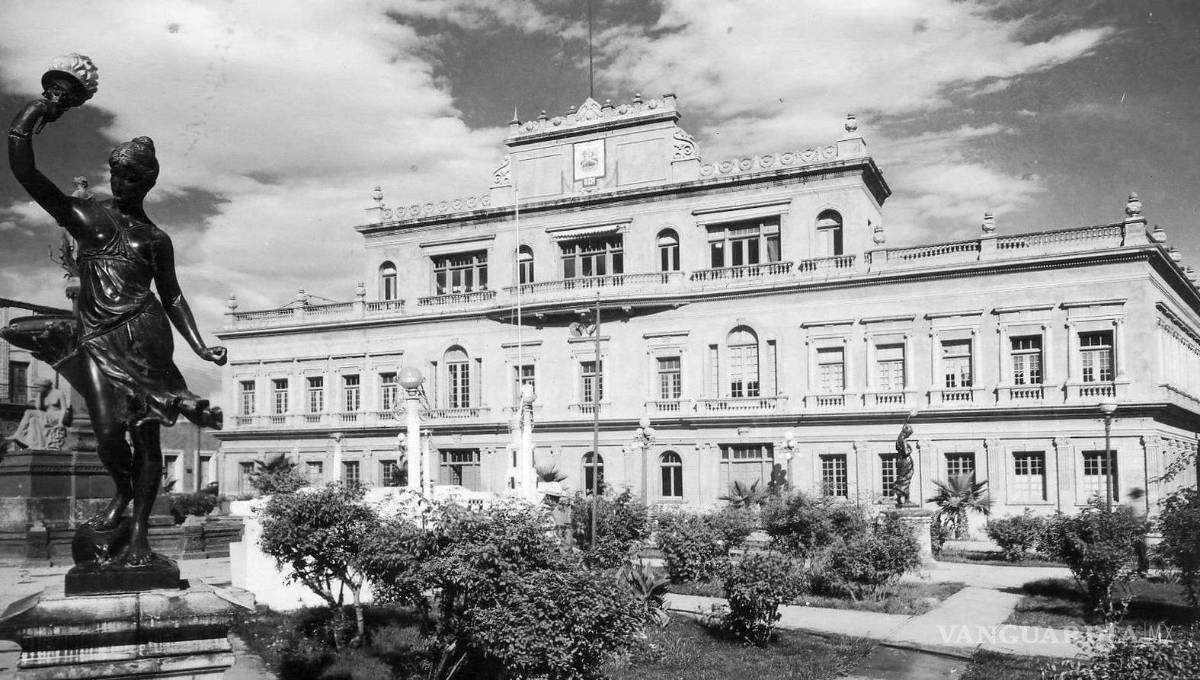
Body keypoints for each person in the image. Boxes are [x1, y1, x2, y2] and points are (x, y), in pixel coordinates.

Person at [8, 93, 227, 567]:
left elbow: (171, 296)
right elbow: (26, 171)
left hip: (145, 336)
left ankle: (143, 534)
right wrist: (41, 109)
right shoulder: (88, 216)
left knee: (146, 437)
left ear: (147, 181)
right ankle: (125, 494)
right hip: (98, 336)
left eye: (131, 176)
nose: (121, 182)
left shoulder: (154, 239)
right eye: (117, 172)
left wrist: (200, 345)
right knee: (108, 433)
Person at [3, 378, 69, 451]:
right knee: (33, 420)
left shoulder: (58, 393)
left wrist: (60, 422)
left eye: (38, 387)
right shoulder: (42, 395)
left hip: (56, 417)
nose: (36, 389)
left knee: (28, 412)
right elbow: (38, 408)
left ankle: (18, 434)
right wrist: (39, 395)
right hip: (46, 416)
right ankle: (35, 444)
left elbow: (64, 408)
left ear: (45, 386)